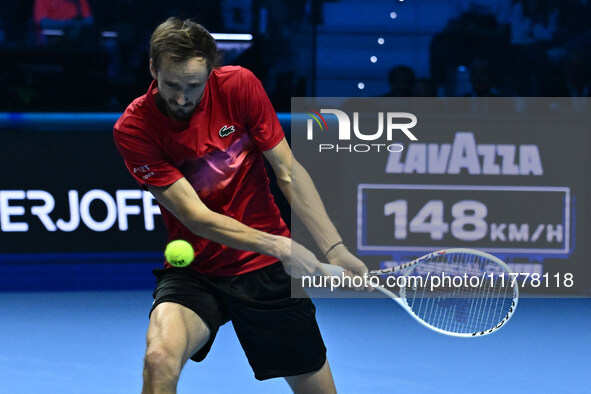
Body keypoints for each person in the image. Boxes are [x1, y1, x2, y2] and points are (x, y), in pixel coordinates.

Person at [113, 17, 368, 393]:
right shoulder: (134, 128)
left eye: (193, 86)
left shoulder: (240, 87)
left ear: (211, 72)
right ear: (153, 68)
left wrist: (336, 249)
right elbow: (196, 217)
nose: (182, 99)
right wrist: (282, 245)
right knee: (158, 358)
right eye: (171, 85)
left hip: (263, 270)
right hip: (197, 270)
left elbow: (288, 172)